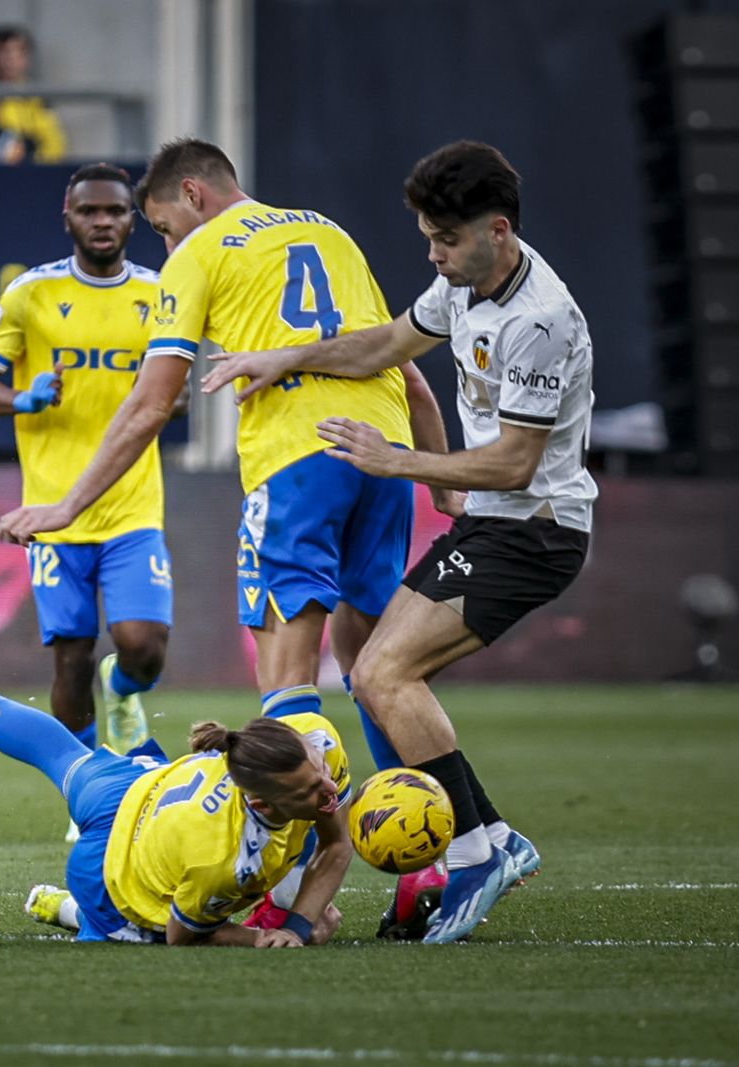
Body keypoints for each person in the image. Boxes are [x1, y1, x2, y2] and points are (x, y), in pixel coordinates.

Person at [202, 140, 596, 943]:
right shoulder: (465, 286)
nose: (433, 254)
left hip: (536, 532)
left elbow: (518, 460)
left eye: (445, 240)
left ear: (498, 229)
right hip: (497, 524)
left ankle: (478, 849)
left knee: (382, 670)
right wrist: (289, 357)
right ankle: (491, 840)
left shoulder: (541, 320)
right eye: (426, 237)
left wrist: (401, 461)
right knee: (378, 670)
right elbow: (382, 346)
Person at [0, 138, 449, 804]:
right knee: (374, 666)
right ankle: (434, 855)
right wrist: (441, 479)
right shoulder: (329, 232)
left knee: (286, 670)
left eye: (162, 227)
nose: (167, 244)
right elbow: (404, 368)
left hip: (297, 460)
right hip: (383, 457)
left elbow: (151, 404)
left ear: (192, 195)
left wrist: (66, 507)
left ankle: (296, 869)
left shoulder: (200, 254)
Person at [0, 163, 172, 843]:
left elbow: (179, 387)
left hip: (134, 508)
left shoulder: (160, 294)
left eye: (116, 212)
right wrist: (23, 397)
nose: (103, 222)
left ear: (134, 220)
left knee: (143, 647)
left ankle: (127, 688)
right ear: (68, 217)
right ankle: (86, 795)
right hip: (54, 513)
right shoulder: (32, 294)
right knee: (69, 660)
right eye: (91, 212)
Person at [0, 658, 352, 947]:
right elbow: (181, 935)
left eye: (320, 773)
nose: (328, 789)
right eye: (306, 792)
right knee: (145, 932)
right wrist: (262, 937)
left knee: (61, 753)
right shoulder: (226, 861)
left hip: (129, 788)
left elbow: (336, 841)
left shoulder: (319, 740)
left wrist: (300, 923)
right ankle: (73, 911)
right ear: (265, 805)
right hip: (108, 867)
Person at [0, 25, 64, 165]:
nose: (6, 60)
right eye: (0, 51)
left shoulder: (36, 96)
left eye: (15, 52)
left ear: (26, 58)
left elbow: (53, 143)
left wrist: (30, 160)